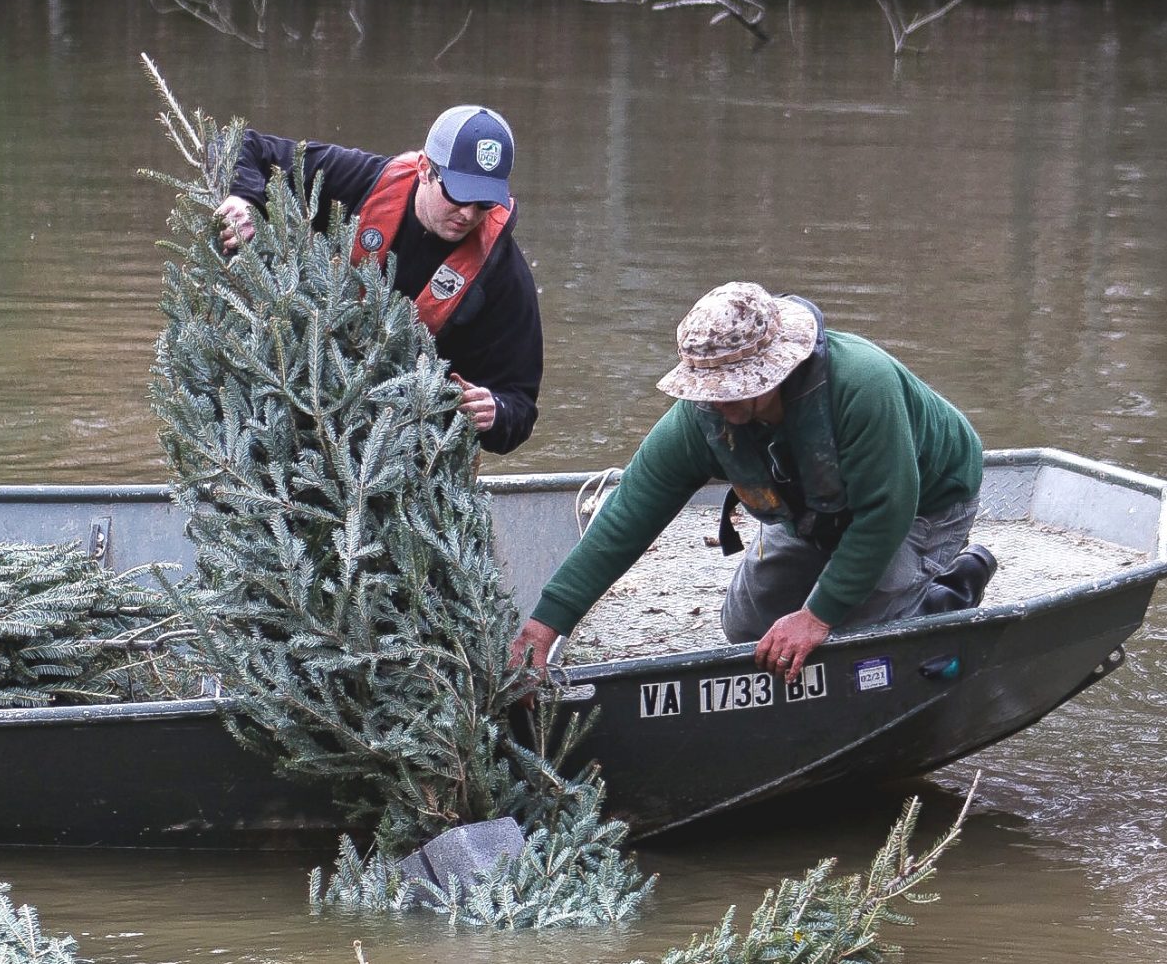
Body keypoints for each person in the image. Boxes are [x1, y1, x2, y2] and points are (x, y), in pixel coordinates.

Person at [509, 281, 996, 682]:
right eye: (708, 388)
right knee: (747, 631)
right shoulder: (701, 418)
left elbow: (887, 511)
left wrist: (816, 617)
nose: (718, 401)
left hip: (923, 506)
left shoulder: (861, 386)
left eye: (735, 386)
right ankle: (867, 592)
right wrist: (545, 626)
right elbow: (629, 514)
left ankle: (948, 590)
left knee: (848, 645)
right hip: (813, 512)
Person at [213, 105, 542, 456]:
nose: (468, 215)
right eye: (458, 195)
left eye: (483, 204)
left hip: (412, 449)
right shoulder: (363, 179)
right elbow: (239, 145)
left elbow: (519, 405)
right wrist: (244, 198)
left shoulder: (503, 272)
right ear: (424, 170)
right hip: (304, 406)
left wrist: (495, 412)